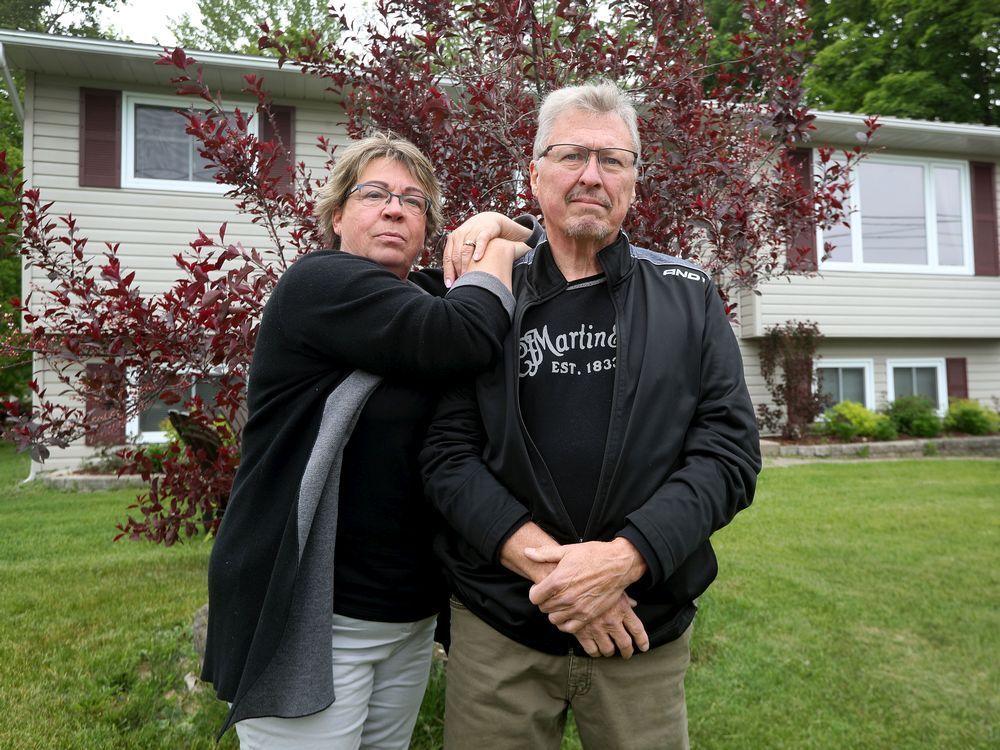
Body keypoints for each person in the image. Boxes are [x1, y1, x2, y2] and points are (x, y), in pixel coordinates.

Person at [420, 81, 762, 749]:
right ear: (534, 173)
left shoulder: (689, 297)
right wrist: (564, 576)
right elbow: (446, 452)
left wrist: (623, 561)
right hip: (500, 629)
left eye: (613, 160)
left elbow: (728, 453)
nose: (591, 176)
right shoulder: (485, 298)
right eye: (572, 156)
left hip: (639, 630)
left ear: (635, 180)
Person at [199, 132, 537, 748]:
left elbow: (536, 254)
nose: (395, 209)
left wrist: (492, 225)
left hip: (405, 616)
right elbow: (463, 334)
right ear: (336, 217)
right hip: (316, 619)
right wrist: (494, 249)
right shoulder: (320, 284)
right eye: (374, 194)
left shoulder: (424, 295)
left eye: (414, 201)